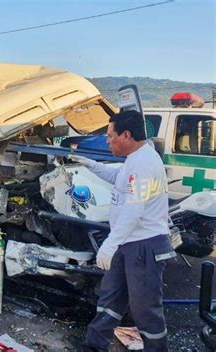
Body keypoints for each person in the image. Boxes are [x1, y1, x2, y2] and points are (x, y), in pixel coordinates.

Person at [68, 110, 175, 352]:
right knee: (110, 298)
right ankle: (94, 345)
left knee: (145, 309)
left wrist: (109, 245)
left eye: (110, 135)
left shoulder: (145, 164)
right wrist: (91, 164)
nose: (107, 140)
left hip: (144, 246)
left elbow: (134, 212)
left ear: (126, 135)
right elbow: (119, 175)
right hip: (129, 243)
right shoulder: (136, 159)